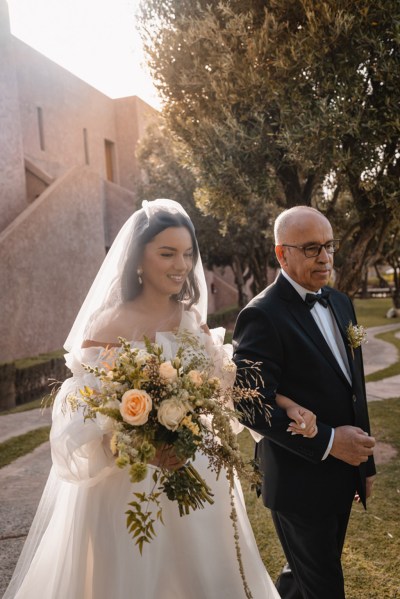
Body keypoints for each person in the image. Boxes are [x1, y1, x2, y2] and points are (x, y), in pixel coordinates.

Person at [5, 198, 316, 599]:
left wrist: (286, 404)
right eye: (167, 253)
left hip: (197, 470)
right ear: (138, 260)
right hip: (128, 483)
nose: (181, 265)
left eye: (187, 254)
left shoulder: (190, 319)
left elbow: (228, 384)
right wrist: (141, 448)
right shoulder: (108, 323)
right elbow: (85, 409)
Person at [232, 205, 376, 599]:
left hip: (344, 472)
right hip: (298, 482)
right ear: (282, 254)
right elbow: (251, 405)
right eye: (312, 248)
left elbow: (354, 388)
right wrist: (330, 441)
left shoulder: (341, 302)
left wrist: (365, 462)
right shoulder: (261, 315)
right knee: (325, 587)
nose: (326, 258)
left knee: (304, 576)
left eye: (329, 246)